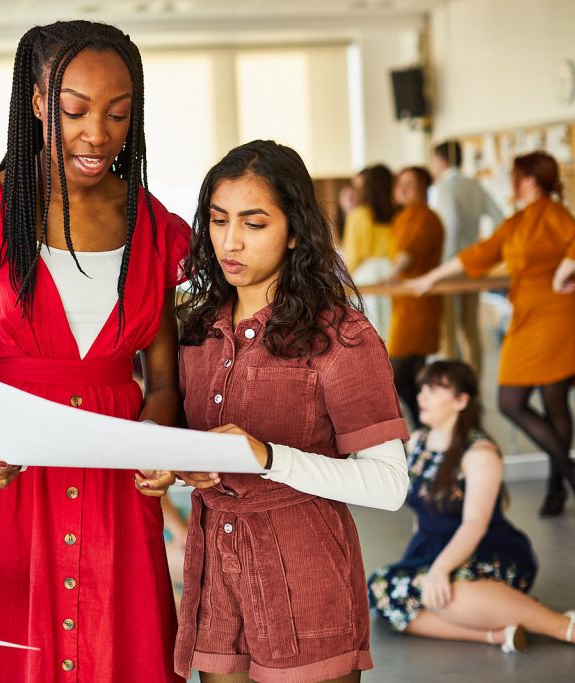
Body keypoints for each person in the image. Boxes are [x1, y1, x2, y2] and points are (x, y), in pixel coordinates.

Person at [0, 20, 190, 682]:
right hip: (7, 483)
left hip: (117, 489)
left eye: (119, 113)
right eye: (75, 109)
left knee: (117, 654)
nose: (98, 133)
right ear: (39, 103)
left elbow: (162, 383)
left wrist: (155, 445)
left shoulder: (155, 228)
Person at [158, 140, 409, 683]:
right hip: (215, 585)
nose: (230, 241)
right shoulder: (196, 331)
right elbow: (197, 454)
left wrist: (267, 456)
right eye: (219, 221)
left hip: (306, 581)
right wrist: (177, 470)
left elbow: (389, 487)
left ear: (294, 231)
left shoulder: (339, 335)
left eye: (254, 223)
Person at [407, 152, 575, 517]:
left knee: (554, 402)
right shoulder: (518, 220)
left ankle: (558, 486)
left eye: (516, 175)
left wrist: (562, 273)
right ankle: (573, 471)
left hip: (556, 314)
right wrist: (430, 279)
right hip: (527, 315)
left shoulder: (553, 213)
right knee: (511, 400)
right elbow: (480, 253)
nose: (511, 180)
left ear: (530, 180)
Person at [368, 360, 575, 652]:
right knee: (381, 591)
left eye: (435, 389)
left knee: (449, 594)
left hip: (486, 550)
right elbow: (421, 512)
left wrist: (439, 570)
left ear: (462, 401)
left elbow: (475, 524)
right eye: (423, 387)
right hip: (431, 549)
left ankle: (568, 627)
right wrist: (424, 565)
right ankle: (497, 635)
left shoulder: (479, 452)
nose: (422, 395)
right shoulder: (418, 443)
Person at [429, 141, 504, 374]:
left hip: (449, 266)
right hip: (473, 265)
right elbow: (500, 218)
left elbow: (449, 224)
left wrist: (445, 261)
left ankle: (451, 392)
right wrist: (484, 254)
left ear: (441, 161)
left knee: (448, 333)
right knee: (470, 330)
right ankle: (473, 392)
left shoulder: (444, 188)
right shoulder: (474, 185)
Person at [388, 166, 444, 428]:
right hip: (403, 303)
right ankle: (427, 426)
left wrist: (392, 274)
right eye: (400, 182)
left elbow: (409, 251)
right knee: (411, 370)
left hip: (420, 302)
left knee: (397, 370)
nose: (403, 188)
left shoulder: (427, 217)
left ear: (424, 187)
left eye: (410, 183)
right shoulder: (401, 217)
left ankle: (426, 424)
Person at [341, 164, 396, 338]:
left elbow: (353, 255)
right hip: (393, 274)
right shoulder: (397, 214)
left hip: (367, 275)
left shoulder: (359, 214)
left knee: (372, 331)